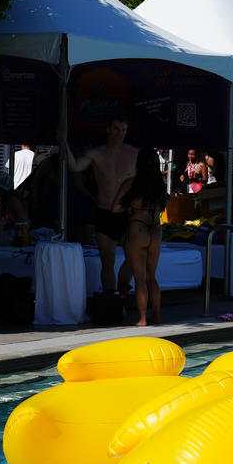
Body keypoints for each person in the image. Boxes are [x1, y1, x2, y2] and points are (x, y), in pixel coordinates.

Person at [65, 117, 139, 296]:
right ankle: (110, 298)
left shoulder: (134, 153)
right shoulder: (97, 153)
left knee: (133, 257)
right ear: (108, 130)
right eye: (116, 129)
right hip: (104, 212)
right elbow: (75, 167)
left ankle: (122, 292)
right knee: (107, 260)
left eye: (123, 130)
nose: (120, 134)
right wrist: (63, 143)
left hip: (127, 214)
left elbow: (145, 179)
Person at [123, 150, 168, 327]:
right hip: (155, 229)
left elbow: (115, 207)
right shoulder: (160, 185)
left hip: (138, 227)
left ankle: (142, 318)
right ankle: (157, 315)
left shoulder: (132, 183)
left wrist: (130, 208)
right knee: (152, 277)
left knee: (140, 279)